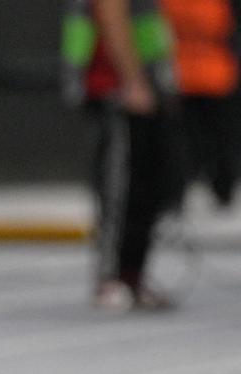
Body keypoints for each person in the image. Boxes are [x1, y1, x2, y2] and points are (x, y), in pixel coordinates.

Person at [63, 0, 184, 310]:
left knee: (148, 185)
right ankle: (110, 278)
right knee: (120, 187)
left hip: (143, 91)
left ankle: (132, 275)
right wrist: (133, 82)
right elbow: (110, 12)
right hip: (116, 92)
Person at [161, 0, 240, 207]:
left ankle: (210, 189)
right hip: (202, 78)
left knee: (196, 142)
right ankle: (217, 189)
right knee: (201, 142)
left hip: (195, 78)